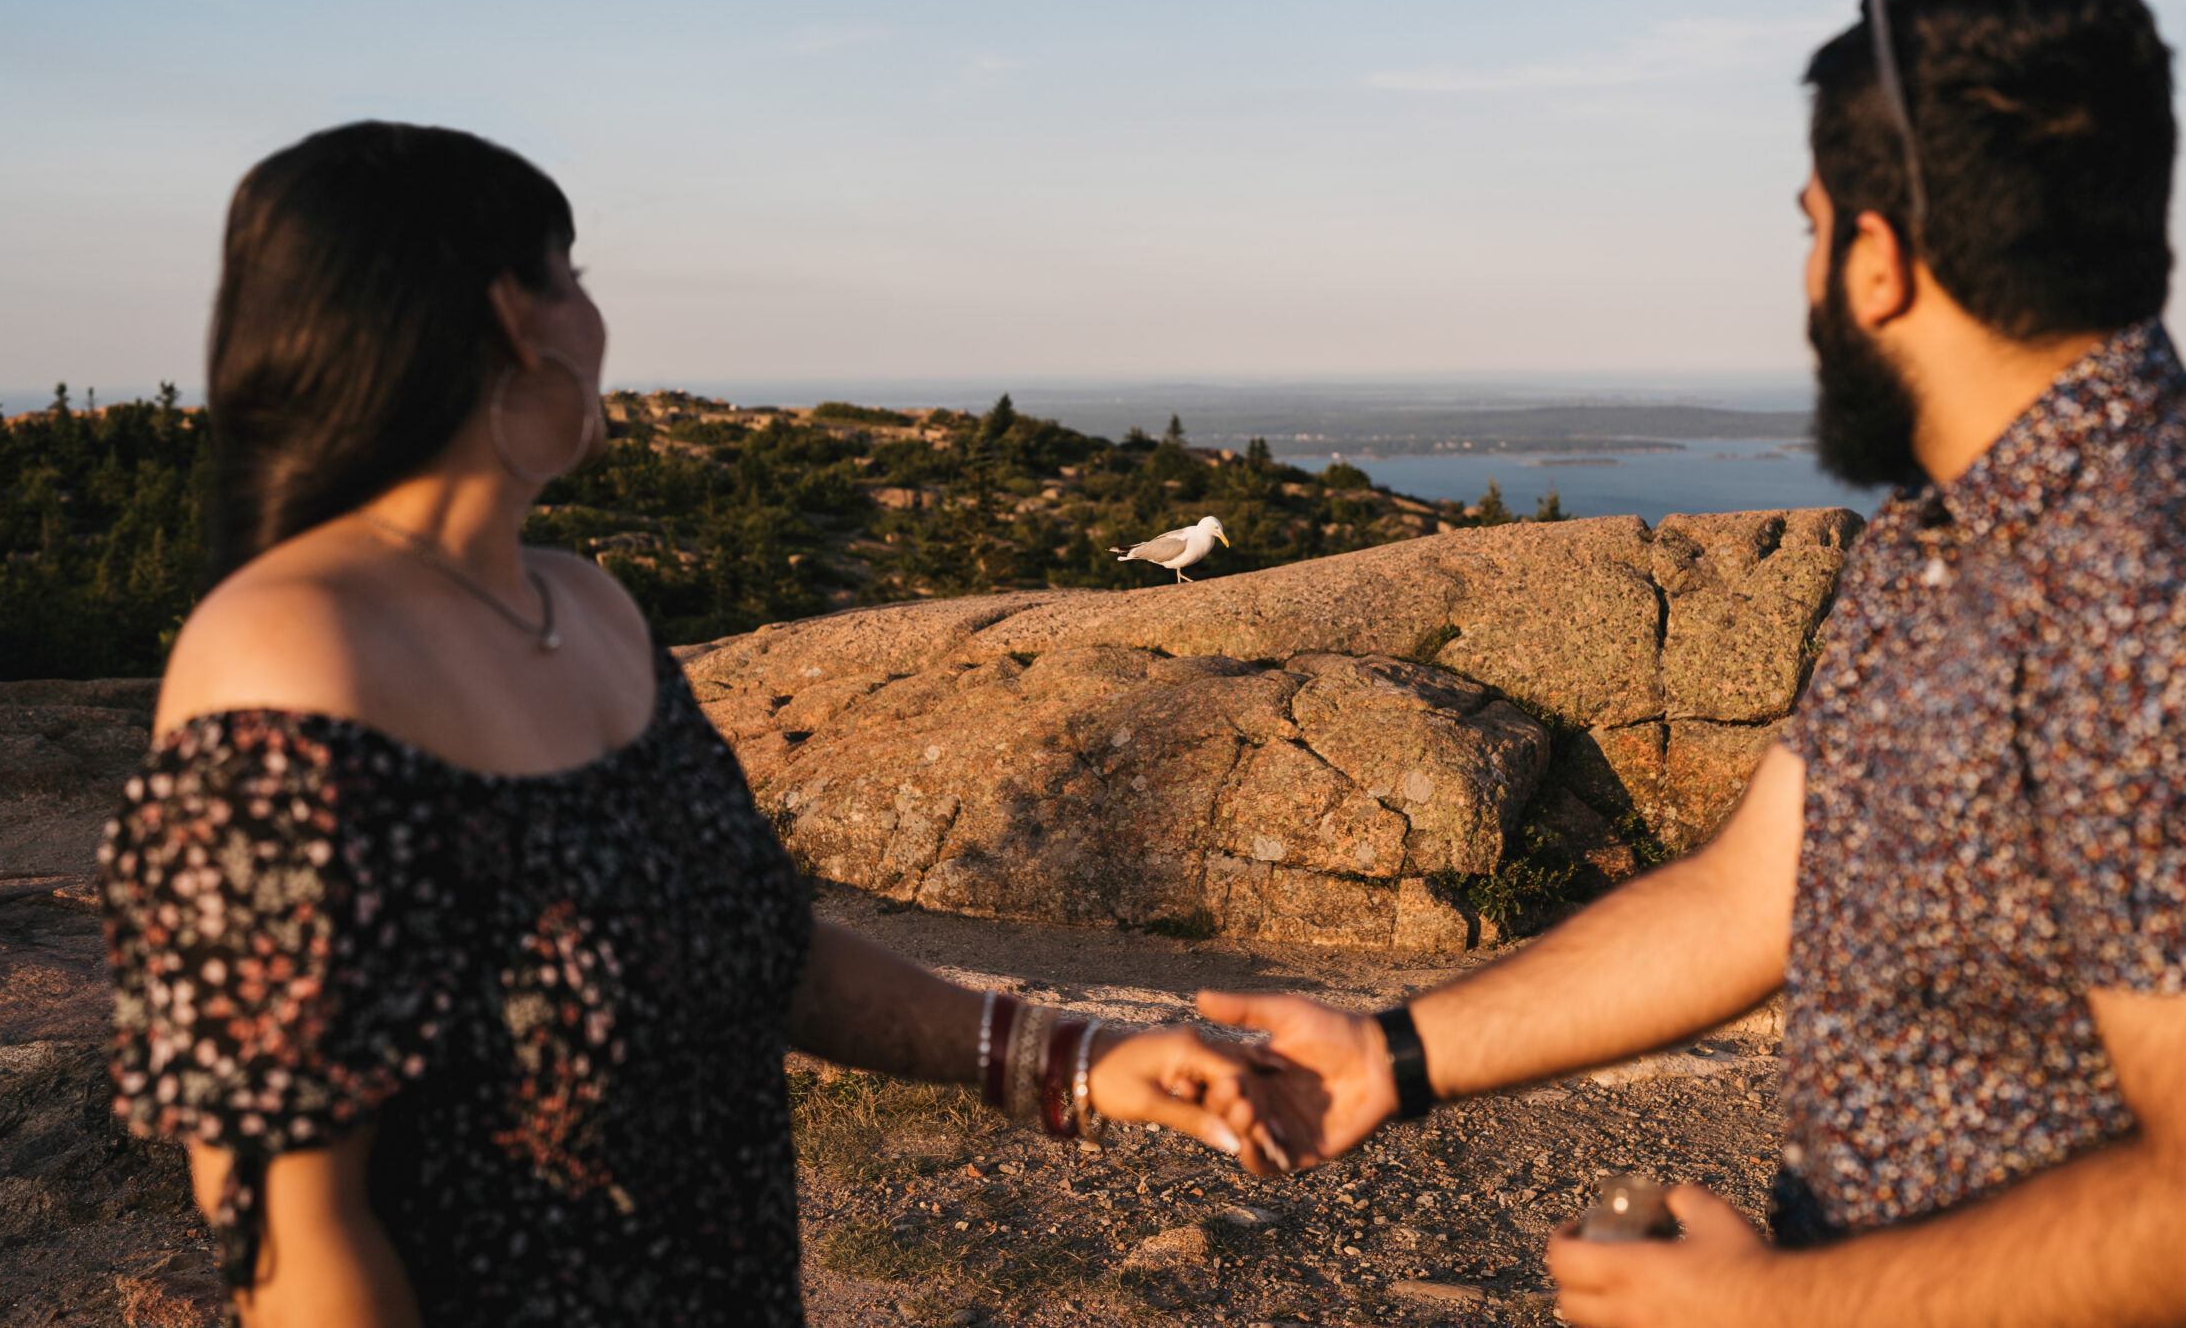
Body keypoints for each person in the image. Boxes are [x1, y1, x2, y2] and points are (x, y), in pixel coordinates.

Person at [1204, 0, 2186, 1327]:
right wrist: (1392, 1053)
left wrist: (1779, 1307)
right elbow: (1757, 892)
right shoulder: (1957, 541)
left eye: (1812, 229)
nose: (1807, 274)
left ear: (1879, 260)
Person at [99, 121, 1301, 1328]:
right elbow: (297, 1233)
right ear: (509, 316)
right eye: (571, 275)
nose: (599, 322)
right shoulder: (290, 652)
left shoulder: (588, 610)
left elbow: (755, 944)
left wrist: (1073, 1056)